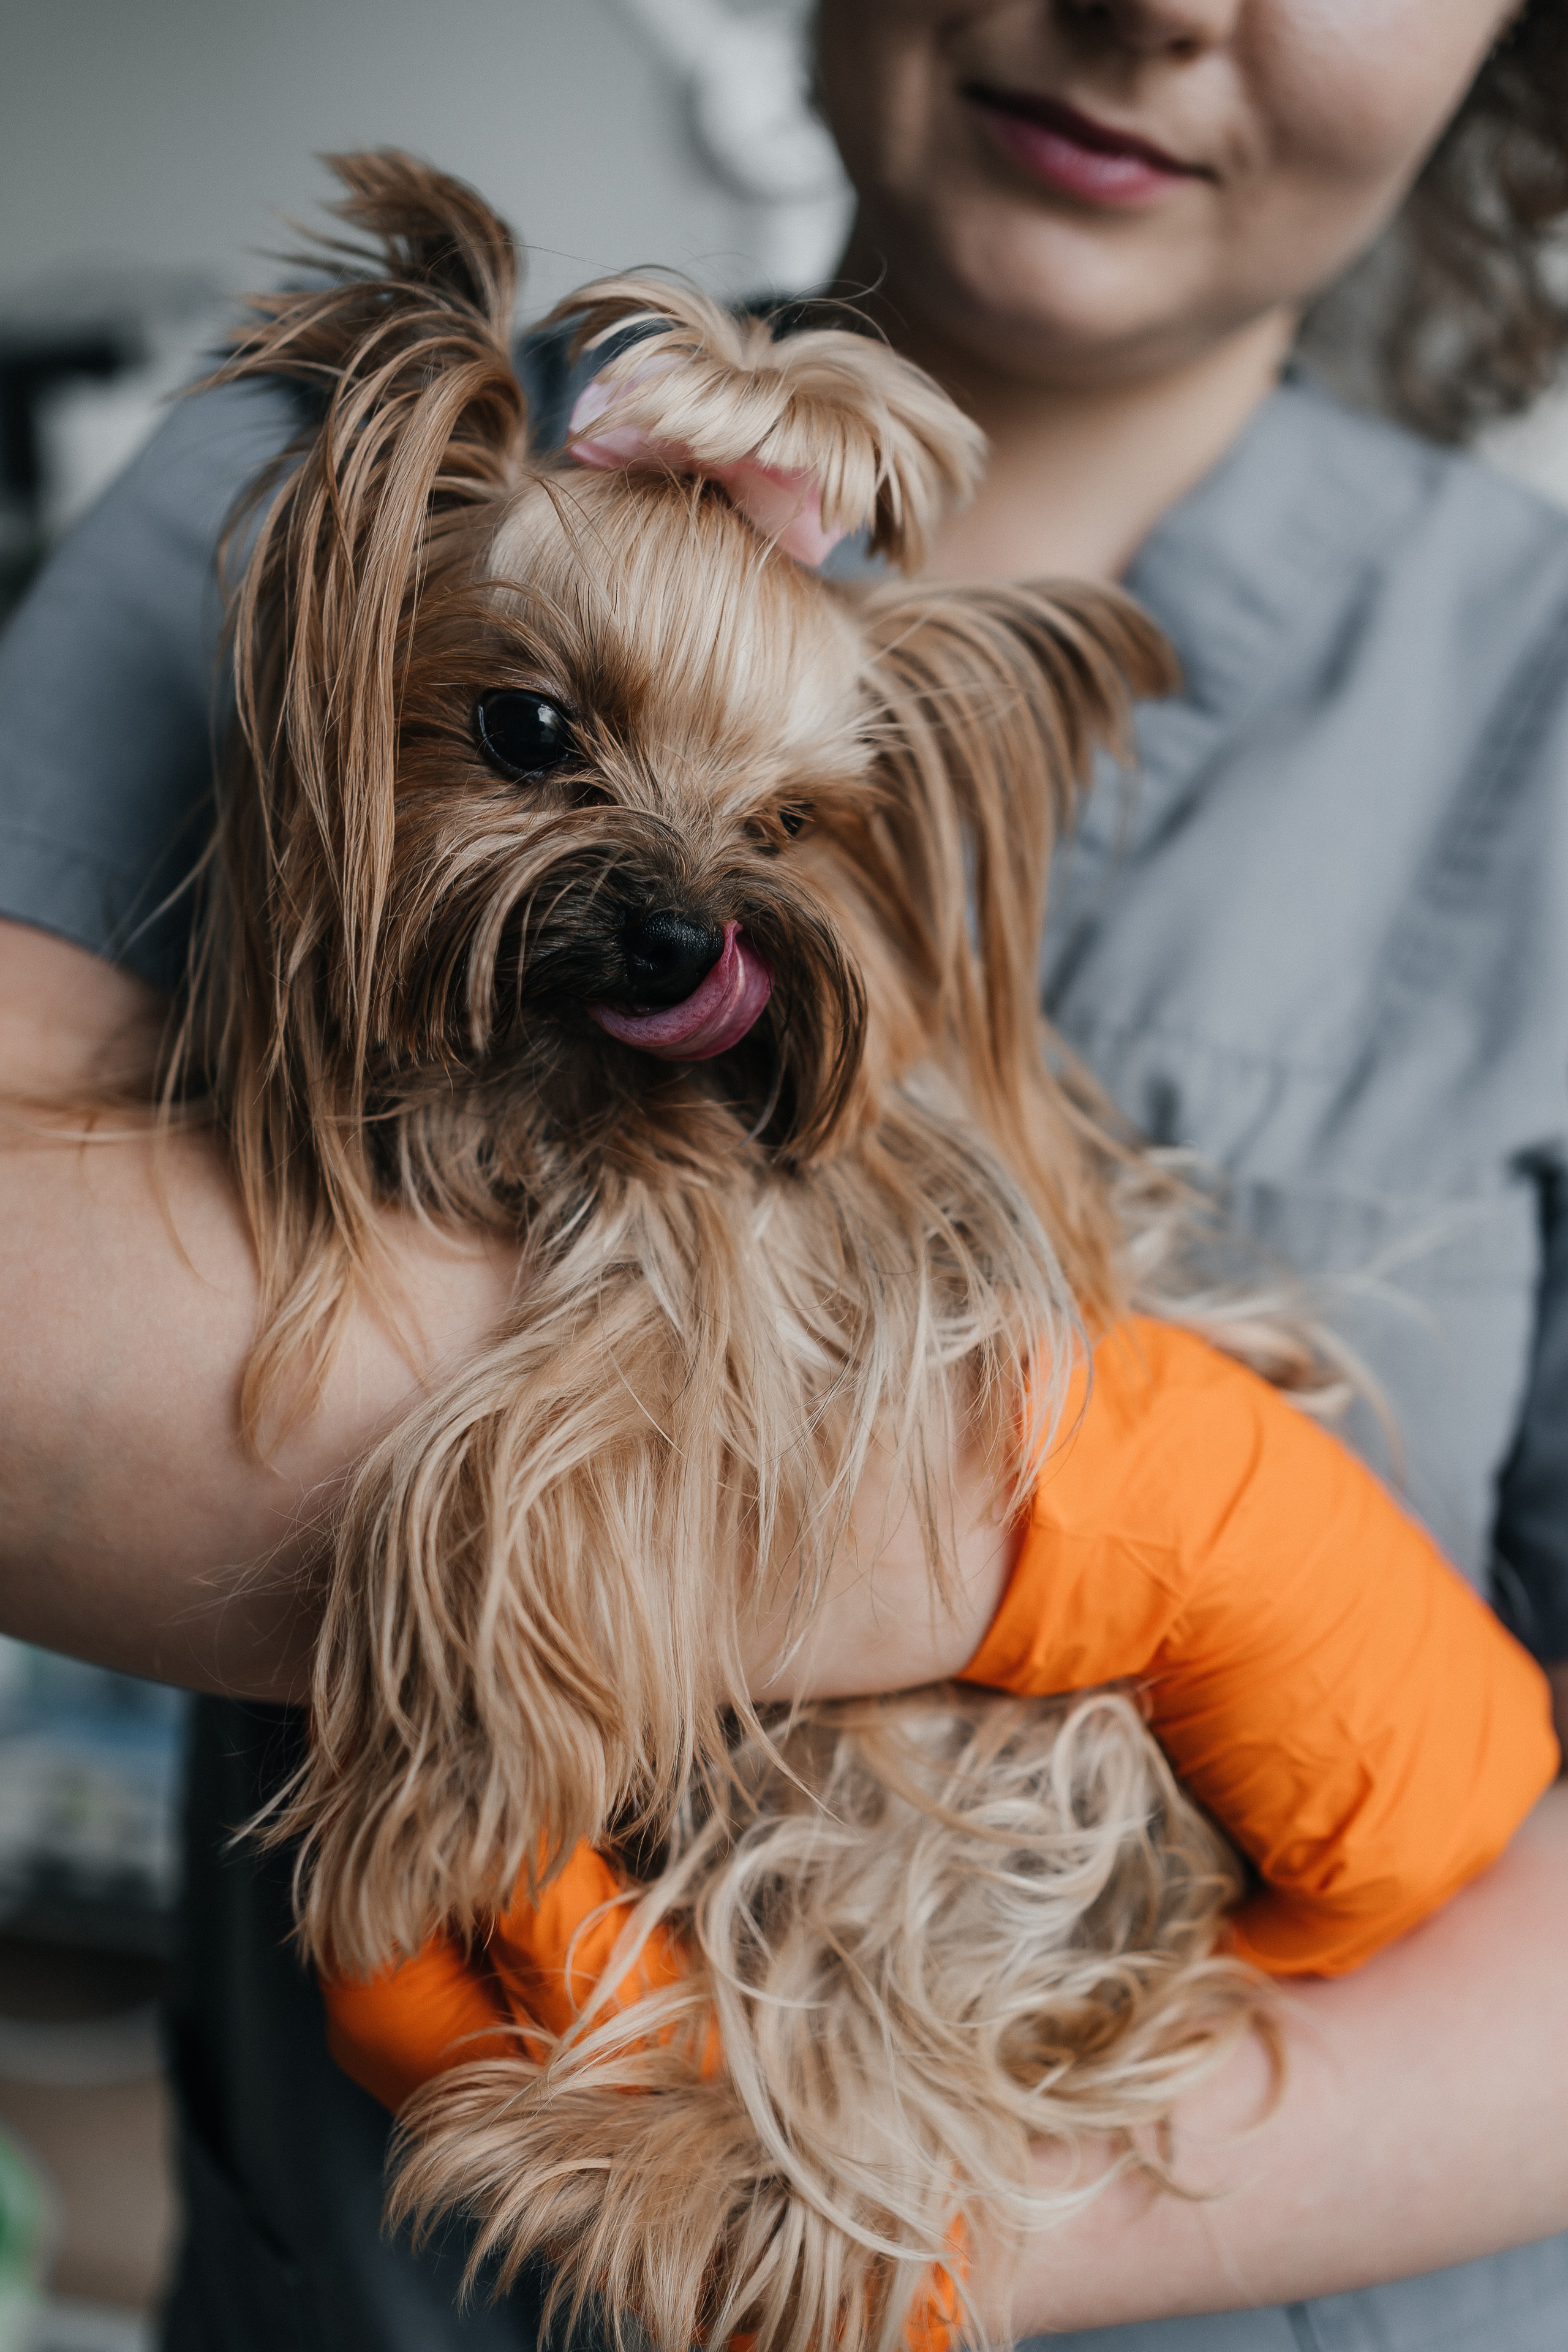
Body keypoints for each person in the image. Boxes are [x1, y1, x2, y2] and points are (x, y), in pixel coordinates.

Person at [1, 0, 1567, 2346]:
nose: (1156, 3)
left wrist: (876, 2220)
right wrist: (1081, 1512)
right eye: (530, 738)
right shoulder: (308, 462)